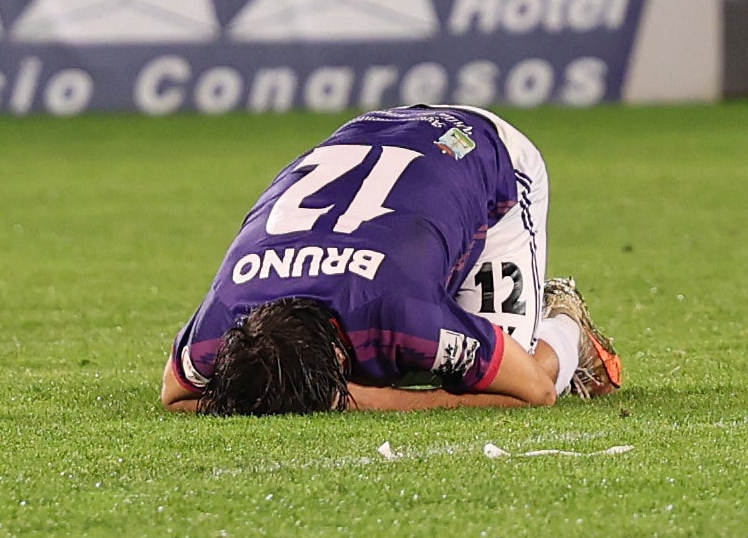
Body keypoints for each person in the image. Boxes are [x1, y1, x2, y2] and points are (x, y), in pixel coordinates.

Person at [161, 104, 624, 417]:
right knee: (437, 360)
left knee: (522, 369)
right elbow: (176, 393)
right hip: (373, 139)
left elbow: (532, 394)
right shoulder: (225, 316)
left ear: (341, 356)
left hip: (480, 156)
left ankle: (565, 322)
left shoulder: (402, 310)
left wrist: (361, 400)